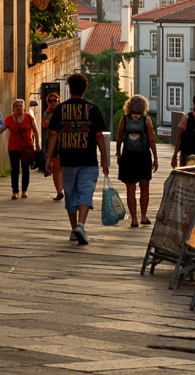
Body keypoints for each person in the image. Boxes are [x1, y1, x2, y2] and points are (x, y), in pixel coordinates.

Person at [47, 72, 110, 245]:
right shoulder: (92, 109)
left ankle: (74, 228)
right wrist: (105, 159)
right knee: (85, 192)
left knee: (70, 193)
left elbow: (53, 134)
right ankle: (81, 225)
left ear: (70, 88)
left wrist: (48, 158)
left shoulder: (60, 109)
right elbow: (98, 136)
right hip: (88, 158)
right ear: (85, 89)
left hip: (67, 158)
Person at [115, 95, 159, 228]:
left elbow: (119, 138)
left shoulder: (124, 119)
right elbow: (151, 140)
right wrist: (155, 158)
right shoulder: (147, 121)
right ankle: (143, 217)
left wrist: (118, 153)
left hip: (128, 157)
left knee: (130, 189)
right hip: (143, 156)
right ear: (143, 107)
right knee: (144, 188)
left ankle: (134, 219)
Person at [3, 97, 39, 199]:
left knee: (25, 169)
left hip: (27, 147)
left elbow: (35, 131)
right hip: (13, 147)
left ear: (23, 107)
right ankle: (15, 191)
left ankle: (24, 190)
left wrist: (37, 145)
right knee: (14, 169)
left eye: (20, 106)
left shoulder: (28, 117)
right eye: (16, 106)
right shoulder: (9, 119)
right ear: (13, 108)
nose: (18, 108)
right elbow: (2, 129)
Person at [40, 91, 66, 200]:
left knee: (63, 167)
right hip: (53, 141)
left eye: (55, 100)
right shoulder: (47, 113)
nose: (53, 103)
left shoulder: (64, 111)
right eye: (50, 101)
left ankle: (64, 188)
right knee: (56, 168)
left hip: (64, 141)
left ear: (58, 100)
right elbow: (47, 124)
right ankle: (59, 191)